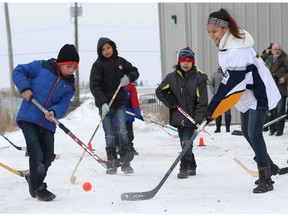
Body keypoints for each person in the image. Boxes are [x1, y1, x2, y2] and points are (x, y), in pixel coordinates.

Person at [206, 8, 281, 193]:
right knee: (247, 133)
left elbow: (233, 81)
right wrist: (212, 110)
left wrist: (212, 109)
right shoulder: (225, 47)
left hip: (258, 94)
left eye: (214, 31)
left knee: (254, 133)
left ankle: (266, 178)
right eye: (208, 32)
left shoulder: (237, 48)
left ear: (225, 29)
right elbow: (227, 78)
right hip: (246, 95)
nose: (211, 36)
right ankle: (269, 165)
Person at [12, 44, 80, 201]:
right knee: (36, 154)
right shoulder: (41, 66)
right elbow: (18, 71)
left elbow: (64, 104)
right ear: (60, 63)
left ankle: (32, 177)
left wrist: (55, 111)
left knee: (48, 156)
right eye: (68, 66)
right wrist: (24, 88)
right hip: (29, 118)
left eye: (74, 68)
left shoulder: (69, 86)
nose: (71, 71)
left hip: (48, 124)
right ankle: (38, 187)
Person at [156, 47, 208, 179]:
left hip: (192, 117)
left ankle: (184, 165)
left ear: (193, 62)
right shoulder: (171, 78)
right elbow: (160, 91)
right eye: (183, 61)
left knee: (186, 141)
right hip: (178, 115)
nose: (186, 63)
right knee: (184, 141)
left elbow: (202, 101)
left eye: (188, 61)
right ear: (179, 62)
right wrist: (170, 101)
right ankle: (192, 163)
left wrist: (198, 118)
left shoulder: (198, 78)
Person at [90, 37, 139, 175]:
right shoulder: (97, 65)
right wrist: (102, 102)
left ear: (113, 48)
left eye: (108, 48)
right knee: (110, 135)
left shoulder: (120, 62)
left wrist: (129, 78)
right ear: (100, 51)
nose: (106, 51)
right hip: (105, 105)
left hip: (119, 104)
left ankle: (125, 164)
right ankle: (112, 164)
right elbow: (94, 85)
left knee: (123, 131)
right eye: (103, 49)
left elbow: (134, 71)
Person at [264, 42, 288, 136]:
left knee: (280, 110)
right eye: (275, 49)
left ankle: (279, 130)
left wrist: (284, 78)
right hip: (270, 89)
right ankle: (272, 128)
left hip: (281, 89)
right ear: (271, 50)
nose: (277, 51)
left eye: (279, 49)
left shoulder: (285, 59)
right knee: (270, 110)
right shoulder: (268, 59)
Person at [115, 82, 144, 156]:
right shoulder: (114, 84)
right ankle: (118, 147)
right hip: (116, 113)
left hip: (128, 114)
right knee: (118, 132)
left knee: (129, 133)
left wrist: (137, 112)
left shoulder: (131, 86)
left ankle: (129, 147)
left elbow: (134, 100)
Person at [209, 67, 231, 133]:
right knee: (218, 112)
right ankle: (218, 128)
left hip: (227, 96)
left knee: (227, 113)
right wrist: (214, 92)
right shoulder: (215, 75)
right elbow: (211, 84)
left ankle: (228, 128)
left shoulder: (228, 75)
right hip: (217, 97)